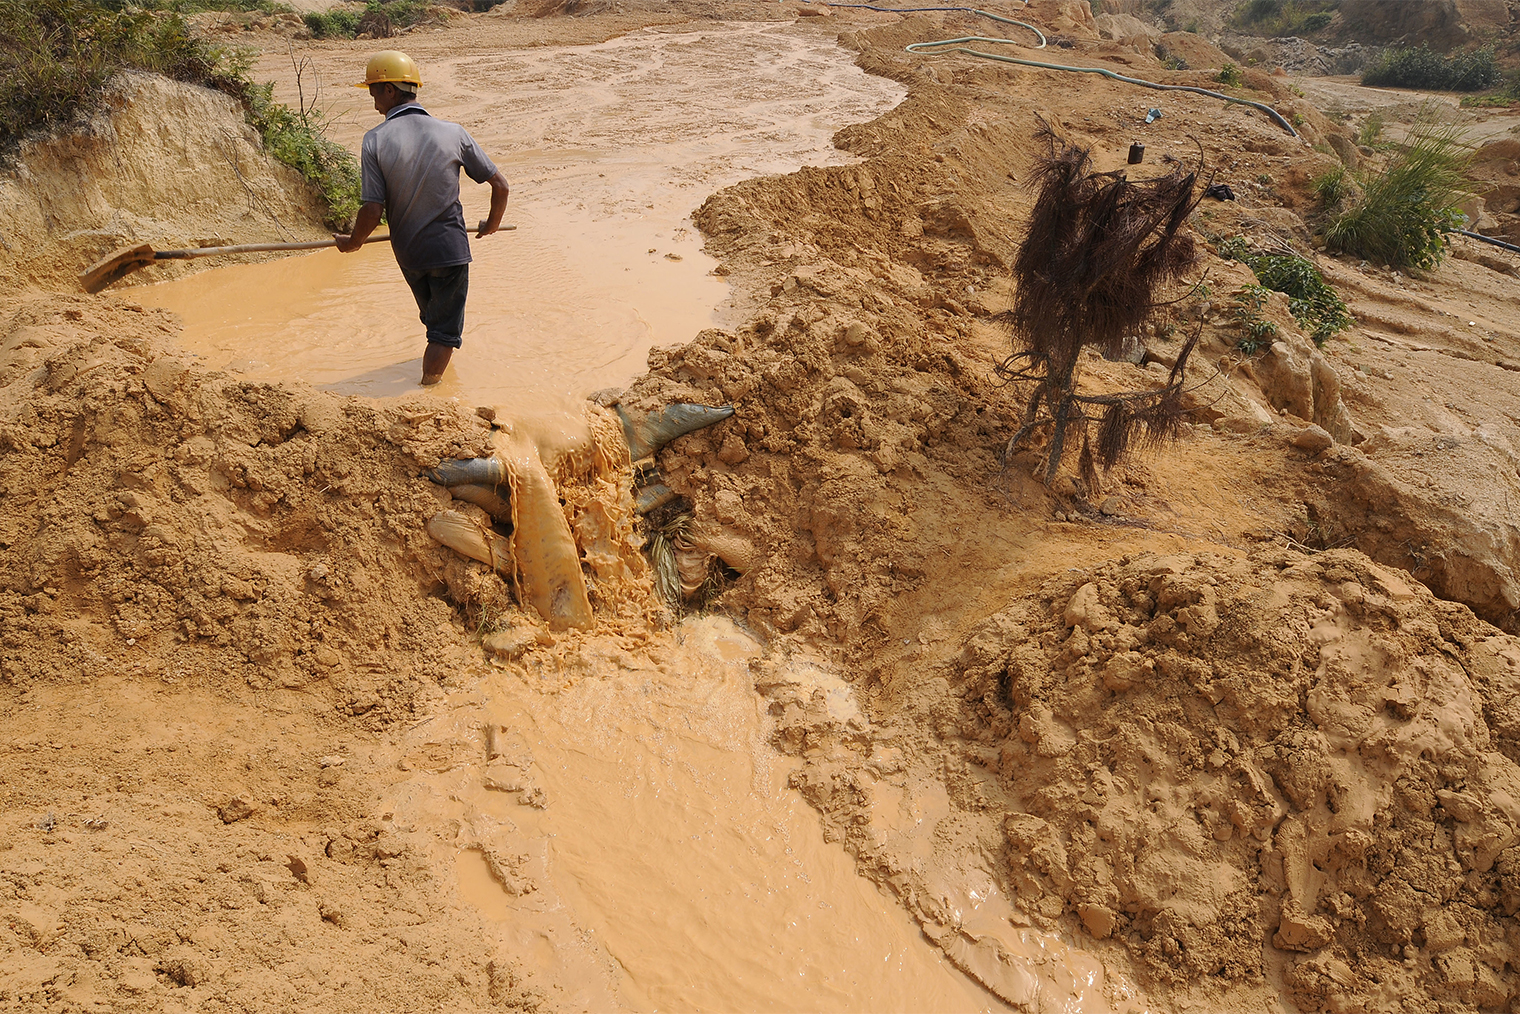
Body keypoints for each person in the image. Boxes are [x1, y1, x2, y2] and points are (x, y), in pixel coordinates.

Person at [335, 51, 511, 385]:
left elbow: (373, 209)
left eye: (374, 90)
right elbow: (500, 186)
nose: (372, 99)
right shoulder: (454, 133)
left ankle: (431, 381)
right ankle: (429, 389)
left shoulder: (374, 140)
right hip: (449, 251)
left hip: (409, 255)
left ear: (391, 91)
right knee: (443, 332)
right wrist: (492, 224)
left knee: (434, 320)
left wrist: (353, 243)